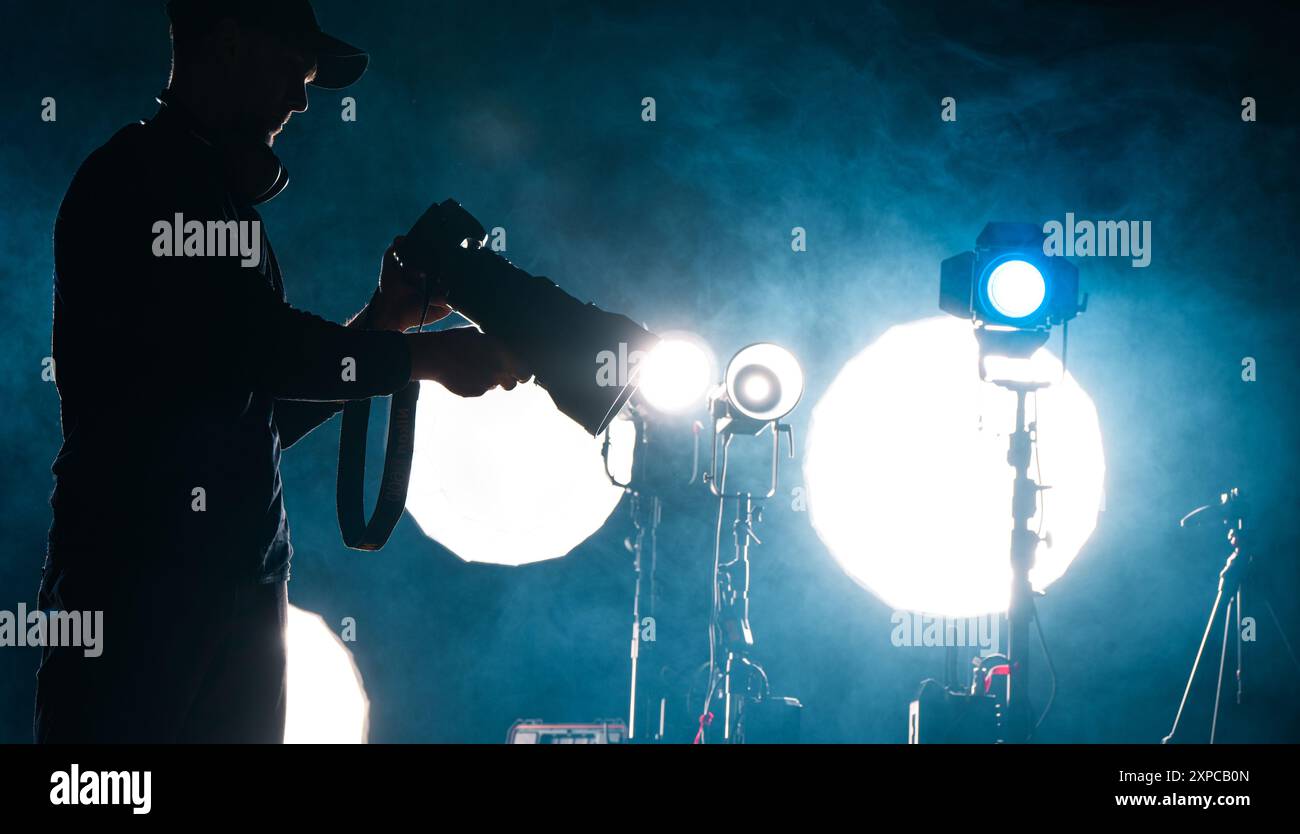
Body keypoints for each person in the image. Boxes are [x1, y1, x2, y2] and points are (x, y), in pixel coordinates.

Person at [34, 0, 528, 743]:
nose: (300, 100)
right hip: (137, 596)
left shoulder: (212, 197)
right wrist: (422, 357)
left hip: (229, 598)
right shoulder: (140, 180)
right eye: (293, 73)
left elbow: (251, 401)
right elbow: (260, 350)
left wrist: (384, 324)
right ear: (229, 43)